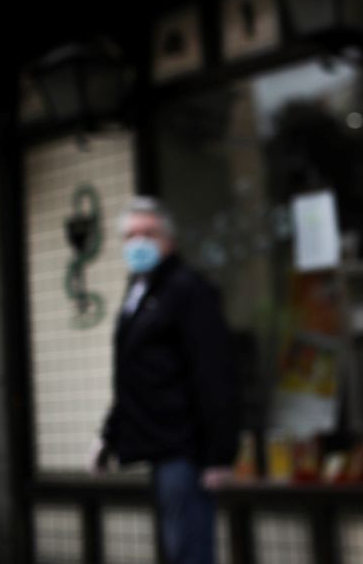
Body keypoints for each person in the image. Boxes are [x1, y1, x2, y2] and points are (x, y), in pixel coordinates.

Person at [91, 197, 238, 564]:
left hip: (185, 450)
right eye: (130, 236)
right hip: (159, 446)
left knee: (189, 550)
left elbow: (214, 373)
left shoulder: (188, 289)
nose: (138, 243)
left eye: (148, 234)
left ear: (168, 239)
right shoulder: (140, 292)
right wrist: (109, 436)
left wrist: (219, 454)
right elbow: (134, 376)